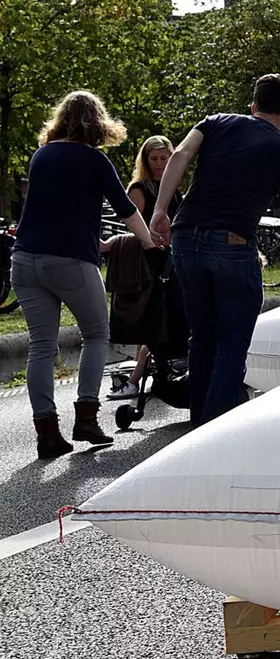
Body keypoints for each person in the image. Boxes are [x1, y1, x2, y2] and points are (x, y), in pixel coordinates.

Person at [150, 74, 280, 426]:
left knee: (201, 337)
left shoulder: (215, 122)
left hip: (184, 239)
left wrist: (160, 210)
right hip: (232, 243)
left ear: (253, 105)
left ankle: (200, 419)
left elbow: (181, 153)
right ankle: (212, 430)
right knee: (231, 342)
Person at [13, 91, 156, 459]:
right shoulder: (93, 160)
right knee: (95, 334)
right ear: (97, 123)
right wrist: (149, 244)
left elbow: (56, 208)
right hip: (70, 261)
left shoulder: (40, 155)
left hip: (25, 262)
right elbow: (127, 209)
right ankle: (86, 419)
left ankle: (47, 433)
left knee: (41, 347)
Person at [108, 135, 182, 400]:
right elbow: (132, 225)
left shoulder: (174, 188)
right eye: (154, 159)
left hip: (172, 259)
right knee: (153, 321)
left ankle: (140, 377)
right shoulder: (139, 188)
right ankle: (135, 379)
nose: (160, 164)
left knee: (161, 323)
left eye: (164, 158)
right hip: (148, 262)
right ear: (146, 160)